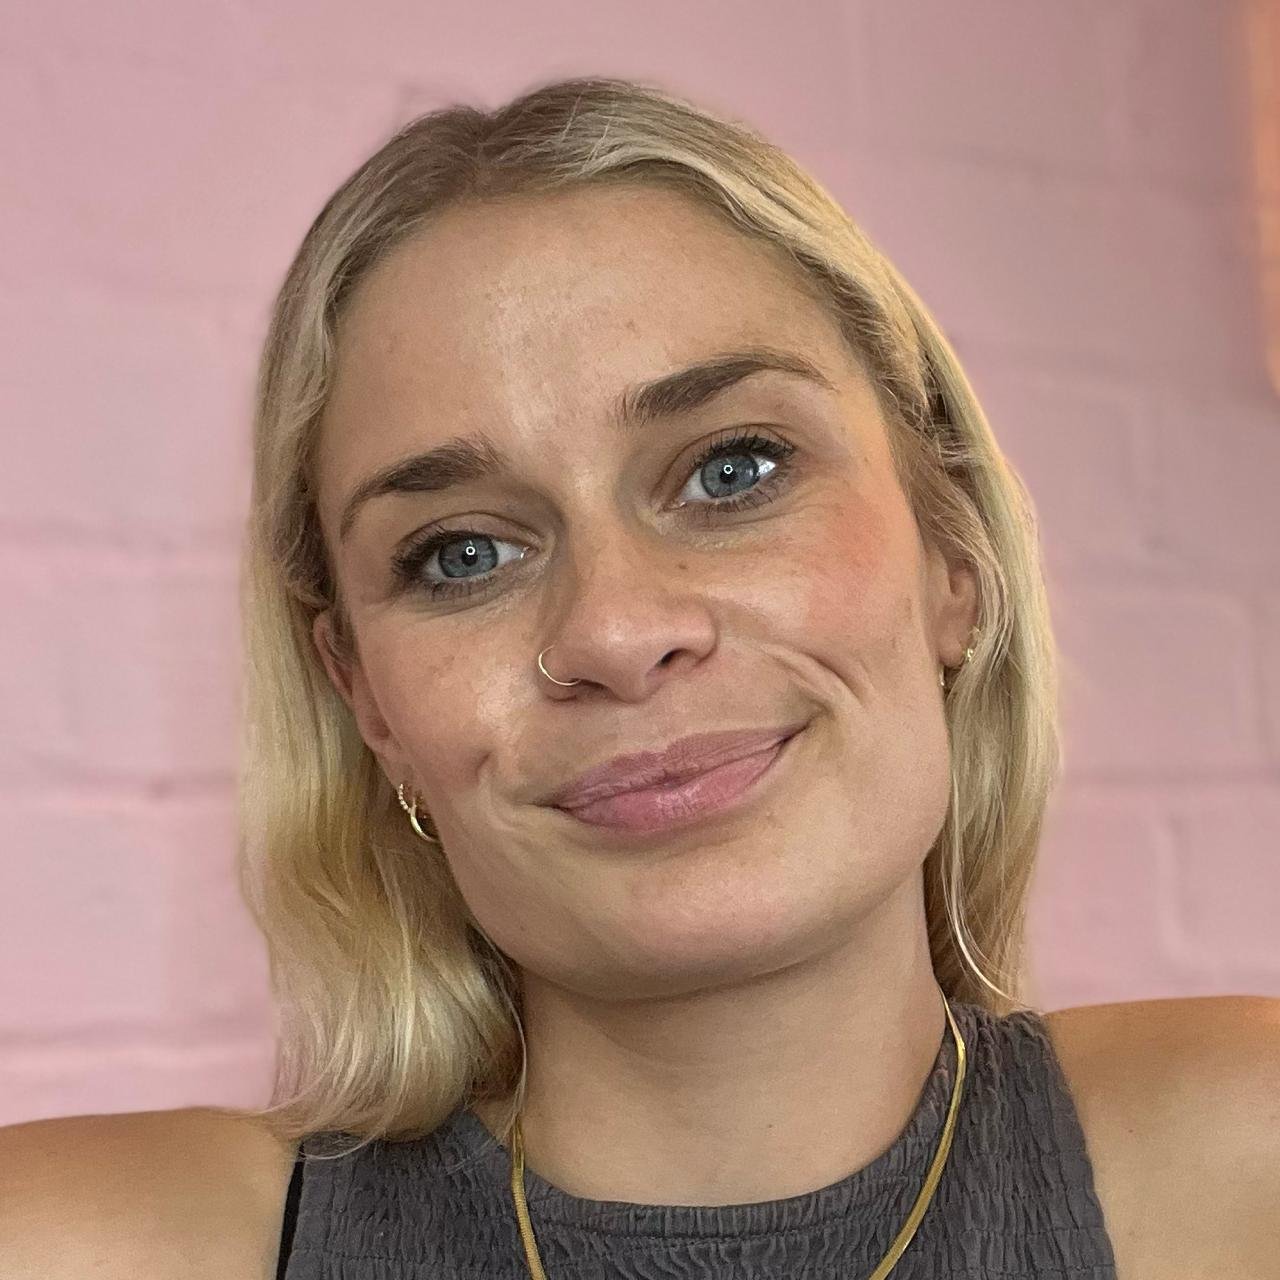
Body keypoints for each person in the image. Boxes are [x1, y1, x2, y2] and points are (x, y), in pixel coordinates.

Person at [2, 74, 1277, 1280]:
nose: (616, 629)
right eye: (461, 554)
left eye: (732, 469)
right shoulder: (80, 1243)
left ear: (951, 552)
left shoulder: (1241, 1158)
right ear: (366, 699)